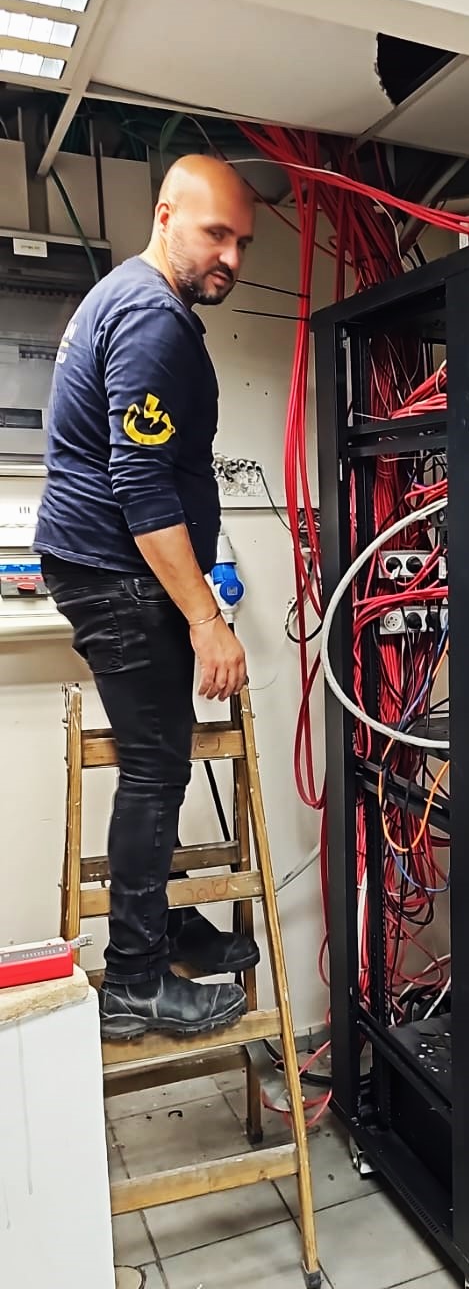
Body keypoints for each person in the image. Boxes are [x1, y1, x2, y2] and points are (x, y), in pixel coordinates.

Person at [36, 155, 259, 1040]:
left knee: (159, 759)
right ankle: (132, 981)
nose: (231, 257)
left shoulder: (131, 299)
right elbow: (139, 484)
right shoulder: (150, 316)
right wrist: (206, 619)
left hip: (109, 569)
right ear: (166, 216)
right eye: (216, 234)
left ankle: (159, 926)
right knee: (157, 768)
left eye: (242, 242)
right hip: (115, 573)